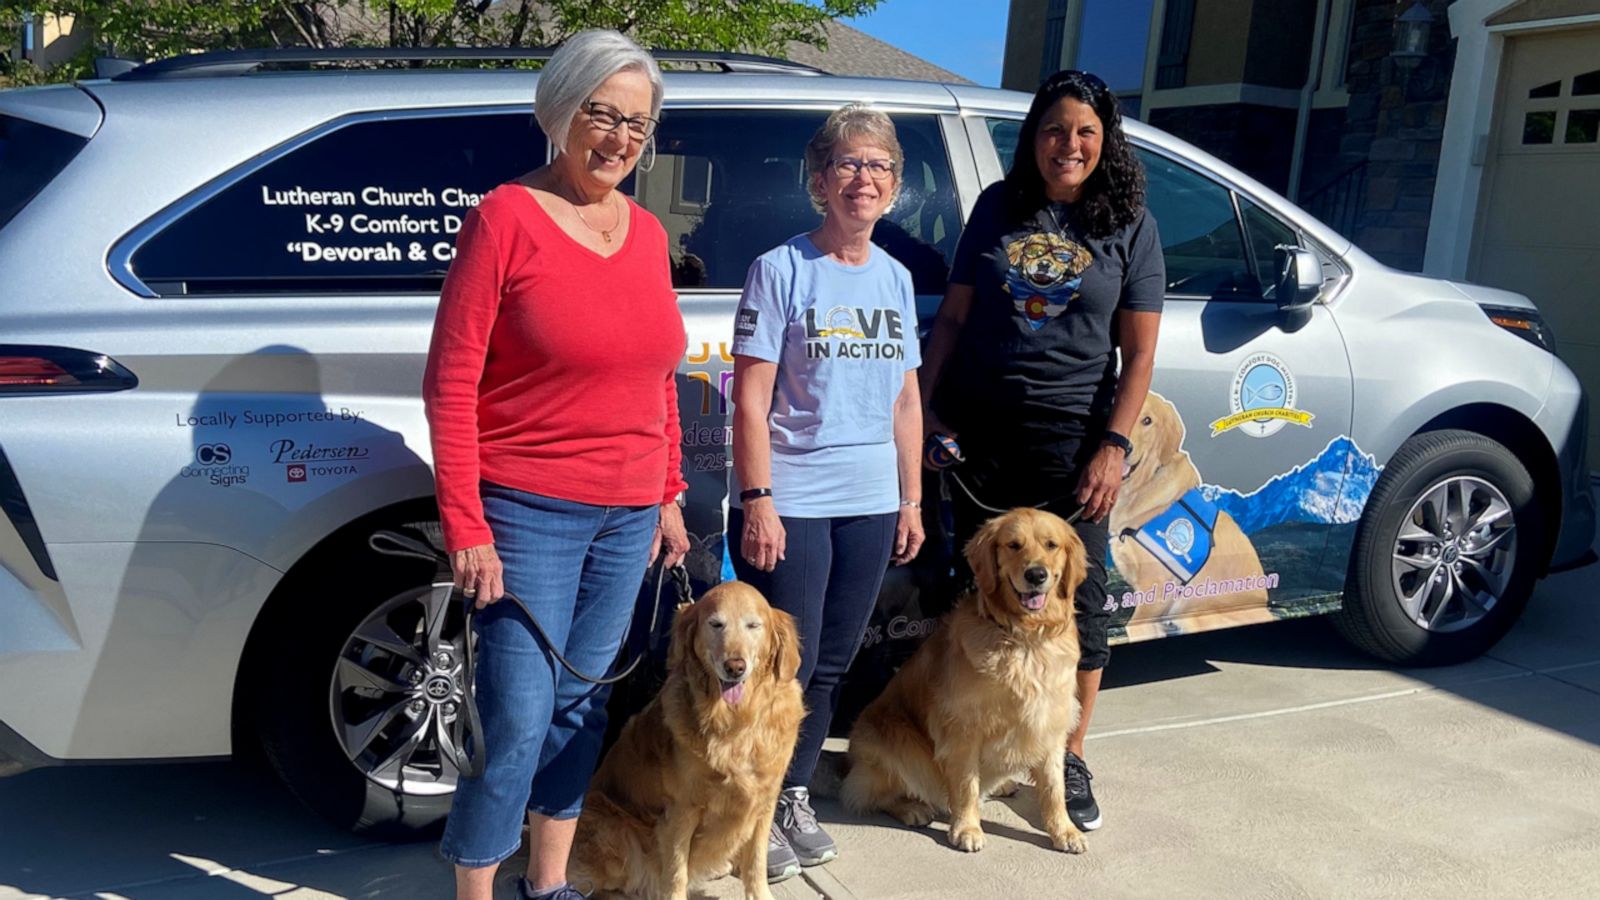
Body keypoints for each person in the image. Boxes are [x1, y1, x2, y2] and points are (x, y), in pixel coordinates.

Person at [422, 29, 690, 900]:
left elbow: (658, 379)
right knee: (517, 717)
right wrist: (467, 524)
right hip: (526, 510)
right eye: (602, 115)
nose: (617, 139)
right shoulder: (505, 216)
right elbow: (450, 383)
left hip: (629, 514)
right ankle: (475, 888)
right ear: (562, 111)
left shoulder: (647, 234)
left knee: (582, 708)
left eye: (637, 126)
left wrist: (670, 497)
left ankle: (547, 884)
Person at [918, 69, 1165, 835]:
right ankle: (970, 742)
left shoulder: (1129, 221)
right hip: (980, 438)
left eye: (1087, 132)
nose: (1070, 144)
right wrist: (922, 412)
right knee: (972, 596)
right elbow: (954, 321)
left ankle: (1068, 751)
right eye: (1056, 129)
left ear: (1105, 141)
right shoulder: (999, 207)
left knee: (1078, 607)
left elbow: (1140, 355)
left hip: (1075, 445)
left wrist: (1113, 448)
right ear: (1035, 137)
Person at [727, 104, 925, 883]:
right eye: (847, 164)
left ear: (895, 186)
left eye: (878, 166)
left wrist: (910, 498)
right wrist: (759, 498)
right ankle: (753, 802)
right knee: (784, 666)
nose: (863, 179)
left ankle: (792, 794)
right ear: (818, 181)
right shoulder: (781, 269)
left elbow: (906, 400)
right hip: (797, 495)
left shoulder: (897, 278)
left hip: (873, 497)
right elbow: (749, 399)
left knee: (837, 661)